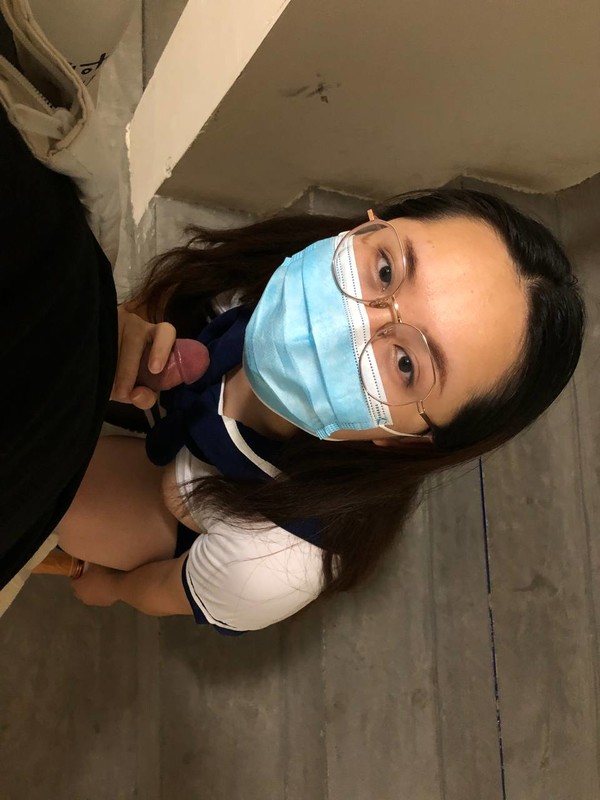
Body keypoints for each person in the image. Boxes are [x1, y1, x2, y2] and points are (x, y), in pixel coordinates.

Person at [56, 189, 585, 634]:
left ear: (407, 439)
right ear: (372, 223)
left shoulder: (274, 558)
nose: (341, 322)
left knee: (65, 503)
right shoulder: (255, 276)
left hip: (207, 491)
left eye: (405, 365)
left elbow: (163, 590)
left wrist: (114, 586)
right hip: (173, 409)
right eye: (385, 269)